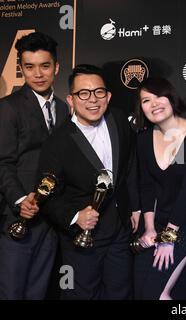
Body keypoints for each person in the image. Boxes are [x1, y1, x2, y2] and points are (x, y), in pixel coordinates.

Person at [37, 64, 135, 299]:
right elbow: (46, 195)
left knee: (120, 294)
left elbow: (130, 167)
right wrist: (75, 216)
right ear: (71, 100)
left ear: (108, 96)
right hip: (81, 240)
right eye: (83, 93)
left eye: (98, 92)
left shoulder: (119, 120)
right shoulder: (57, 142)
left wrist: (135, 207)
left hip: (119, 233)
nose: (92, 99)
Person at [0, 32, 69, 299]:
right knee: (12, 292)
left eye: (44, 66)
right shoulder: (8, 108)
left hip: (52, 220)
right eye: (29, 67)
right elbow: (3, 163)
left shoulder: (64, 109)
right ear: (21, 68)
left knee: (38, 292)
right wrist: (19, 200)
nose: (38, 74)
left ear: (56, 67)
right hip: (18, 217)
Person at [133, 77, 186, 300]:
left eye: (159, 96)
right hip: (159, 222)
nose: (154, 103)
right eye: (146, 100)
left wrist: (169, 235)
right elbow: (146, 187)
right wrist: (149, 228)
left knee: (156, 293)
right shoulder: (144, 139)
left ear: (171, 98)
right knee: (141, 288)